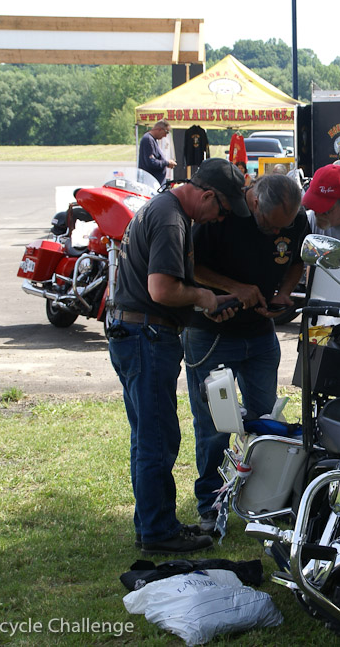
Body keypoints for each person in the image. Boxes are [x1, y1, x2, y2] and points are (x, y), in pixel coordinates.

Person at [109, 158, 249, 556]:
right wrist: (203, 296)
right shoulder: (171, 219)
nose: (220, 219)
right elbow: (162, 290)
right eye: (221, 210)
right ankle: (156, 532)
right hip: (146, 336)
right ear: (206, 195)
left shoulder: (162, 207)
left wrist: (204, 306)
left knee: (148, 437)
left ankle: (155, 523)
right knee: (157, 438)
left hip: (136, 331)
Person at [182, 173, 310, 532]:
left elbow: (298, 258)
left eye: (281, 228)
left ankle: (262, 500)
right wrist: (235, 288)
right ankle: (210, 502)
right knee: (213, 425)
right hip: (211, 333)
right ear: (254, 202)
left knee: (265, 422)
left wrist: (284, 291)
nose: (274, 234)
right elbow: (190, 266)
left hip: (259, 334)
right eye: (270, 225)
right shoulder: (220, 214)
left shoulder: (294, 218)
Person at [138, 120, 176, 186]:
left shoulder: (153, 140)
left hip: (155, 183)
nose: (165, 135)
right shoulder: (148, 139)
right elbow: (151, 162)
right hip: (150, 183)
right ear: (159, 129)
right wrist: (167, 163)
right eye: (166, 132)